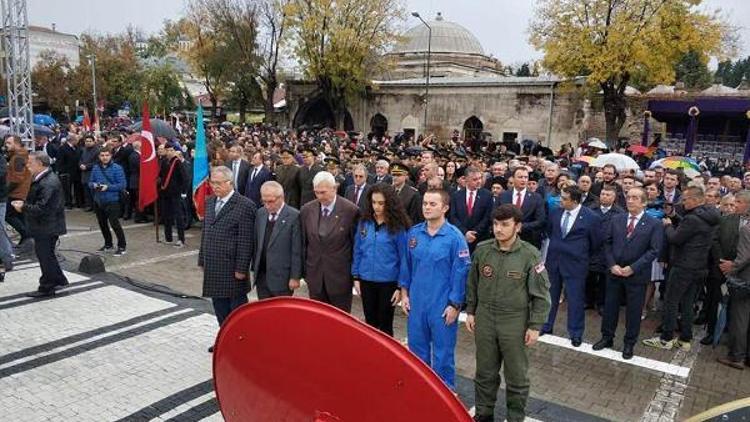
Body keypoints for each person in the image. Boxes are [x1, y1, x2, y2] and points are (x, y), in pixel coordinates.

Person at [466, 205, 551, 422]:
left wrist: (534, 326)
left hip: (514, 320)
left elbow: (541, 295)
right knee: (485, 372)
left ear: (518, 227)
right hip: (485, 317)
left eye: (505, 225)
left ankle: (515, 417)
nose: (498, 229)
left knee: (516, 377)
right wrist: (471, 311)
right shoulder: (483, 250)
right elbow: (472, 283)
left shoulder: (530, 255)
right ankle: (484, 413)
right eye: (495, 224)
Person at [401, 189, 471, 390]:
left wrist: (455, 305)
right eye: (425, 203)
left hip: (442, 306)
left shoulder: (455, 238)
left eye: (433, 204)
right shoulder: (414, 234)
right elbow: (406, 266)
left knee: (442, 354)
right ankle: (420, 390)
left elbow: (461, 273)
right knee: (416, 351)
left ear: (445, 208)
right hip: (417, 304)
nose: (427, 207)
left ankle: (445, 392)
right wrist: (405, 294)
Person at [643, 186, 720, 351]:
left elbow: (676, 238)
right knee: (687, 303)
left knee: (671, 301)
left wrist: (668, 226)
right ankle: (685, 339)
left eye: (685, 200)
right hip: (700, 267)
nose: (683, 203)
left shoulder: (692, 219)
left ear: (695, 199)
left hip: (684, 266)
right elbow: (691, 229)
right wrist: (675, 217)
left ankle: (666, 338)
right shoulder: (709, 216)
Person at [593, 187, 663, 359]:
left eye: (635, 198)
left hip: (636, 276)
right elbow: (607, 243)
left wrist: (633, 268)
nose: (630, 200)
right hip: (615, 272)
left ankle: (629, 343)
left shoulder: (654, 224)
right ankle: (607, 337)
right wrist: (612, 265)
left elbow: (654, 250)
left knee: (633, 311)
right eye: (628, 197)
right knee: (610, 307)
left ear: (644, 202)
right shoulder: (617, 219)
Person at [199, 166, 256, 352]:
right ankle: (225, 339)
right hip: (213, 266)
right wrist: (202, 258)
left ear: (229, 183)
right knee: (219, 307)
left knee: (237, 310)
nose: (214, 187)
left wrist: (241, 268)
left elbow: (246, 240)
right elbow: (206, 232)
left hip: (232, 268)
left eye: (218, 183)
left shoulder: (244, 205)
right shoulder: (209, 202)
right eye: (212, 183)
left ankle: (242, 343)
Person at [542, 185, 601, 345]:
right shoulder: (555, 213)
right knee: (550, 296)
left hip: (576, 265)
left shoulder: (591, 217)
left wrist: (582, 257)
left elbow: (595, 243)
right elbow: (550, 231)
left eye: (564, 199)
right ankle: (546, 325)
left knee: (575, 299)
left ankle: (575, 332)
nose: (560, 201)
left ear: (574, 201)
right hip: (554, 262)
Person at [352, 183, 410, 336]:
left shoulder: (398, 227)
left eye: (381, 203)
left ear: (389, 203)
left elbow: (404, 258)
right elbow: (358, 250)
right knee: (370, 324)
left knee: (385, 325)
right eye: (373, 202)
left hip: (388, 283)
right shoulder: (364, 222)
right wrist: (356, 276)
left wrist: (400, 287)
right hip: (366, 280)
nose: (376, 207)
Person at [300, 171, 359, 312]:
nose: (320, 196)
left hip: (340, 278)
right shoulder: (307, 210)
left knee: (340, 321)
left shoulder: (350, 211)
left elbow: (355, 246)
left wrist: (355, 276)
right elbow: (304, 243)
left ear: (334, 188)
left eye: (323, 192)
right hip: (315, 276)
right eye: (316, 192)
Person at [12, 152, 67, 297]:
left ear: (40, 164)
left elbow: (43, 208)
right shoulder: (41, 178)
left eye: (30, 162)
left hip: (47, 226)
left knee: (45, 256)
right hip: (44, 225)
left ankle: (47, 287)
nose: (27, 165)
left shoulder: (49, 182)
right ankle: (59, 279)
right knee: (48, 255)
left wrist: (22, 207)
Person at [707, 191, 748, 346]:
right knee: (714, 301)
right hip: (720, 268)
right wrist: (722, 263)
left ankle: (732, 336)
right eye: (730, 204)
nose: (732, 207)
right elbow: (715, 241)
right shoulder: (724, 220)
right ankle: (711, 332)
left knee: (738, 309)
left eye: (735, 203)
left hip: (742, 273)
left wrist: (735, 265)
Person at [252, 181, 302, 299]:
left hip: (282, 277)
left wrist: (295, 277)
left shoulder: (294, 216)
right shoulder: (261, 213)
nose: (267, 205)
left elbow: (297, 249)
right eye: (264, 201)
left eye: (271, 201)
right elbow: (257, 242)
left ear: (281, 198)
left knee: (281, 314)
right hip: (262, 275)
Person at [716, 214, 750, 370]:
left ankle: (737, 356)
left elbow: (744, 257)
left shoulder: (746, 229)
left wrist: (732, 267)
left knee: (740, 319)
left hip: (745, 281)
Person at [88, 147, 128, 256]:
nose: (104, 157)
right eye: (102, 155)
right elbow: (90, 182)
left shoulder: (117, 168)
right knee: (102, 224)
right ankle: (108, 244)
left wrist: (108, 187)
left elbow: (122, 185)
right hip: (99, 200)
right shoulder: (96, 168)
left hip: (113, 200)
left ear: (111, 156)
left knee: (114, 224)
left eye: (107, 155)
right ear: (99, 157)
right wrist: (94, 185)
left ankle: (122, 246)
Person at [499, 167, 546, 249]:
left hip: (528, 240)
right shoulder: (503, 196)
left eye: (526, 177)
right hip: (505, 239)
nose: (523, 180)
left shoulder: (537, 198)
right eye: (520, 177)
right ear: (513, 179)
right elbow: (495, 215)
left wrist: (520, 227)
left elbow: (540, 220)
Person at [449, 166, 493, 253]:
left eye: (480, 178)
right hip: (460, 238)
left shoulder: (487, 195)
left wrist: (475, 232)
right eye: (475, 179)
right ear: (466, 180)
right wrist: (465, 233)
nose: (479, 181)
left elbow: (487, 217)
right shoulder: (456, 195)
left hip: (480, 239)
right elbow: (452, 216)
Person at [5, 135, 33, 252]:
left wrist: (6, 190)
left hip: (17, 192)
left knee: (9, 215)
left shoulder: (18, 157)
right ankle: (27, 239)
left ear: (16, 143)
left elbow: (17, 177)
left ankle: (28, 236)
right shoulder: (18, 156)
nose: (6, 145)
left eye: (9, 143)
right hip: (20, 192)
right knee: (20, 216)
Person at [159, 142, 188, 247]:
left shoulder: (177, 162)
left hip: (175, 193)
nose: (170, 152)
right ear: (165, 151)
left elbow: (184, 178)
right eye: (168, 150)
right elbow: (161, 175)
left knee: (178, 216)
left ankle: (181, 239)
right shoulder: (163, 162)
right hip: (165, 192)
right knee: (167, 215)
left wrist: (182, 191)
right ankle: (168, 237)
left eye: (172, 150)